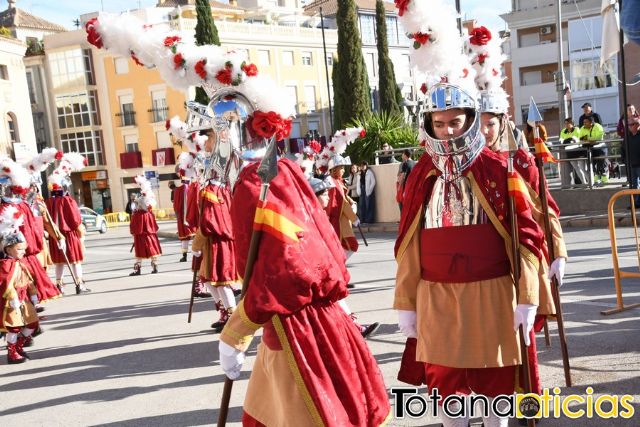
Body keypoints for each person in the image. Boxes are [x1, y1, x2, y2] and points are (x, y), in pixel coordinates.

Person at [393, 6, 545, 426]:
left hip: (492, 294)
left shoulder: (500, 170)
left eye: (454, 122)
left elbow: (528, 236)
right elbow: (409, 242)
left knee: (494, 390)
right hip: (436, 297)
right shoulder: (421, 173)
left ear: (470, 120)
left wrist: (528, 295)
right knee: (447, 393)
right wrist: (406, 302)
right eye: (438, 124)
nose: (447, 131)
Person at [220, 146, 390, 426]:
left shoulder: (257, 181)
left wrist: (235, 333)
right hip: (310, 328)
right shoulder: (287, 174)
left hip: (296, 334)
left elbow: (277, 279)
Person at [309, 175, 379, 338]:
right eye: (324, 193)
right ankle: (352, 327)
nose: (328, 196)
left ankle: (352, 326)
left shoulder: (318, 215)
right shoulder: (310, 218)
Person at [191, 127, 240, 332]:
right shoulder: (220, 189)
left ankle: (233, 317)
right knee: (210, 281)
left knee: (220, 282)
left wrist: (196, 244)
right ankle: (223, 312)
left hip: (216, 243)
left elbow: (208, 223)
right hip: (216, 243)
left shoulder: (211, 191)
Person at [0, 156, 61, 305]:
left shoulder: (22, 206)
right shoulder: (16, 206)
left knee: (25, 286)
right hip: (14, 254)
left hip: (20, 253)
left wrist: (58, 237)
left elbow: (36, 229)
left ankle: (30, 313)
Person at [46, 153, 91, 295]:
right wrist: (81, 232)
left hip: (55, 235)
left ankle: (59, 286)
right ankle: (79, 284)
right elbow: (75, 220)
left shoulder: (49, 202)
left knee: (59, 262)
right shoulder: (68, 201)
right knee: (75, 261)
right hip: (69, 234)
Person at [0, 207, 40, 364]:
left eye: (24, 249)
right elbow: (5, 283)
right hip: (12, 301)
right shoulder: (5, 264)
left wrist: (34, 293)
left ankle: (18, 346)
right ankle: (11, 353)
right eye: (19, 249)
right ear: (9, 249)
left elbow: (28, 280)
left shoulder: (20, 263)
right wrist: (12, 297)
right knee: (14, 327)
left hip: (24, 300)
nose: (23, 252)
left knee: (32, 323)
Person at [129, 175, 162, 275]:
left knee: (139, 250)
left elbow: (134, 227)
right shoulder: (149, 214)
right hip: (150, 235)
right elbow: (154, 227)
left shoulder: (138, 213)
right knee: (152, 248)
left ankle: (137, 269)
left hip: (140, 236)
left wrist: (133, 231)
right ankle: (155, 266)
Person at [579, 116, 607, 185]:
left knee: (601, 161)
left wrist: (588, 138)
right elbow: (580, 138)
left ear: (591, 122)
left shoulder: (598, 126)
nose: (584, 124)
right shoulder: (582, 128)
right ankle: (595, 181)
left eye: (586, 122)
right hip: (590, 148)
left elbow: (599, 137)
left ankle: (604, 180)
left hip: (599, 147)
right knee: (591, 164)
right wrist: (592, 140)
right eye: (583, 122)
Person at [560, 117, 588, 185]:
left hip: (578, 151)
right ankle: (584, 183)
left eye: (568, 123)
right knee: (576, 168)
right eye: (565, 123)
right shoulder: (563, 131)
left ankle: (590, 182)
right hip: (570, 151)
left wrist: (568, 140)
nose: (566, 125)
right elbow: (561, 141)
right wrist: (569, 140)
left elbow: (576, 140)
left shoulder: (577, 129)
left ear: (572, 123)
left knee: (583, 168)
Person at [621, 118, 640, 208]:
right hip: (631, 164)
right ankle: (636, 203)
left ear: (637, 125)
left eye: (631, 125)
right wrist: (624, 160)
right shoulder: (627, 137)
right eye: (628, 125)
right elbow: (623, 149)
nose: (629, 127)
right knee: (634, 185)